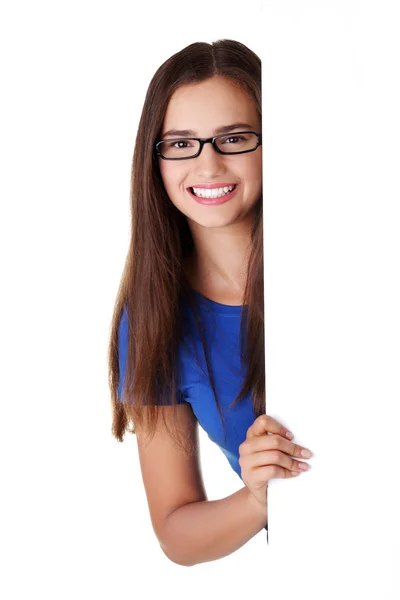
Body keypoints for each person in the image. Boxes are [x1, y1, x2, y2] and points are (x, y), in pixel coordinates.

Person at [107, 39, 313, 566]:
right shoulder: (154, 316)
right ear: (153, 160)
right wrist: (257, 498)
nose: (209, 164)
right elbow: (176, 532)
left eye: (235, 138)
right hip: (321, 568)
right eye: (181, 144)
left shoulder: (340, 259)